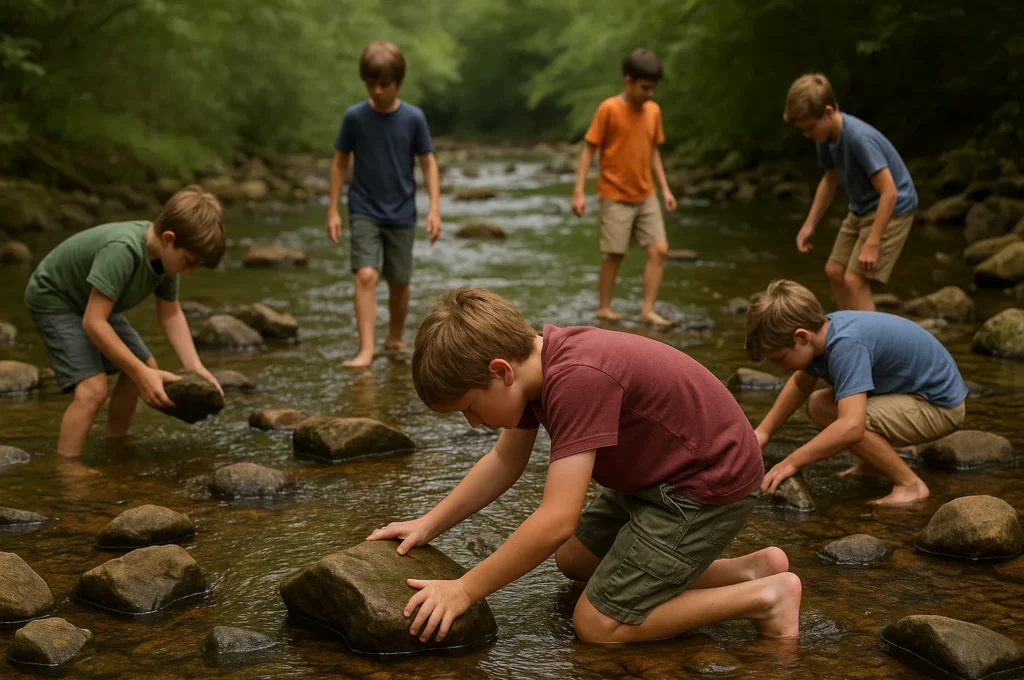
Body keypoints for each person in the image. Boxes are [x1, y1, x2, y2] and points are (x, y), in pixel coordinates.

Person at [367, 287, 801, 645]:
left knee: (597, 625)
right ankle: (748, 570)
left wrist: (465, 589)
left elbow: (556, 519)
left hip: (704, 484)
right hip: (658, 473)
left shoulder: (577, 379)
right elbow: (503, 460)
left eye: (470, 408)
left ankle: (767, 596)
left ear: (500, 371)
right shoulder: (530, 371)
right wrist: (429, 523)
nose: (475, 423)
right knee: (574, 559)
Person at [24, 185, 226, 457]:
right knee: (94, 390)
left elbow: (171, 314)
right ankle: (68, 470)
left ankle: (115, 443)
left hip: (90, 300)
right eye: (188, 261)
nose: (188, 270)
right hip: (56, 298)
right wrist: (142, 374)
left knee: (142, 367)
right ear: (168, 238)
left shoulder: (168, 260)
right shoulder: (122, 250)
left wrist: (195, 366)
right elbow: (93, 323)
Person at [746, 280, 967, 505]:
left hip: (938, 406)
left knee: (846, 422)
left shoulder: (846, 346)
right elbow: (800, 385)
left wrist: (791, 462)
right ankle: (875, 464)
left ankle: (910, 485)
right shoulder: (824, 332)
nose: (778, 367)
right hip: (908, 393)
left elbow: (851, 428)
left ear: (801, 337)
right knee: (819, 405)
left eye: (780, 358)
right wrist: (763, 432)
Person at [326, 40, 442, 367]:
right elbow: (339, 163)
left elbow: (428, 162)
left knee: (399, 281)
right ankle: (366, 349)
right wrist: (333, 209)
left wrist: (435, 207)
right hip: (364, 207)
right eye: (370, 84)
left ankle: (394, 336)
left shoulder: (414, 118)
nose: (376, 91)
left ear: (399, 83)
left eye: (384, 84)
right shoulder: (354, 118)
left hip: (402, 210)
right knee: (365, 275)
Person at [784, 73, 918, 311]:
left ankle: (872, 344)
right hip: (861, 208)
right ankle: (852, 329)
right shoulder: (824, 137)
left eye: (809, 128)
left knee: (854, 279)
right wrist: (809, 224)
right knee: (834, 271)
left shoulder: (858, 138)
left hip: (893, 209)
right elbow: (829, 179)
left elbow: (890, 192)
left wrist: (873, 243)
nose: (807, 135)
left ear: (827, 112)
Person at [571, 48, 677, 327]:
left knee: (660, 250)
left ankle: (647, 310)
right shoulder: (609, 109)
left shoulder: (653, 111)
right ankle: (604, 308)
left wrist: (665, 189)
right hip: (615, 195)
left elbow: (653, 151)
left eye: (654, 88)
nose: (650, 93)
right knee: (615, 254)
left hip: (646, 194)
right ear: (628, 81)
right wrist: (579, 191)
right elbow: (588, 150)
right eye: (644, 88)